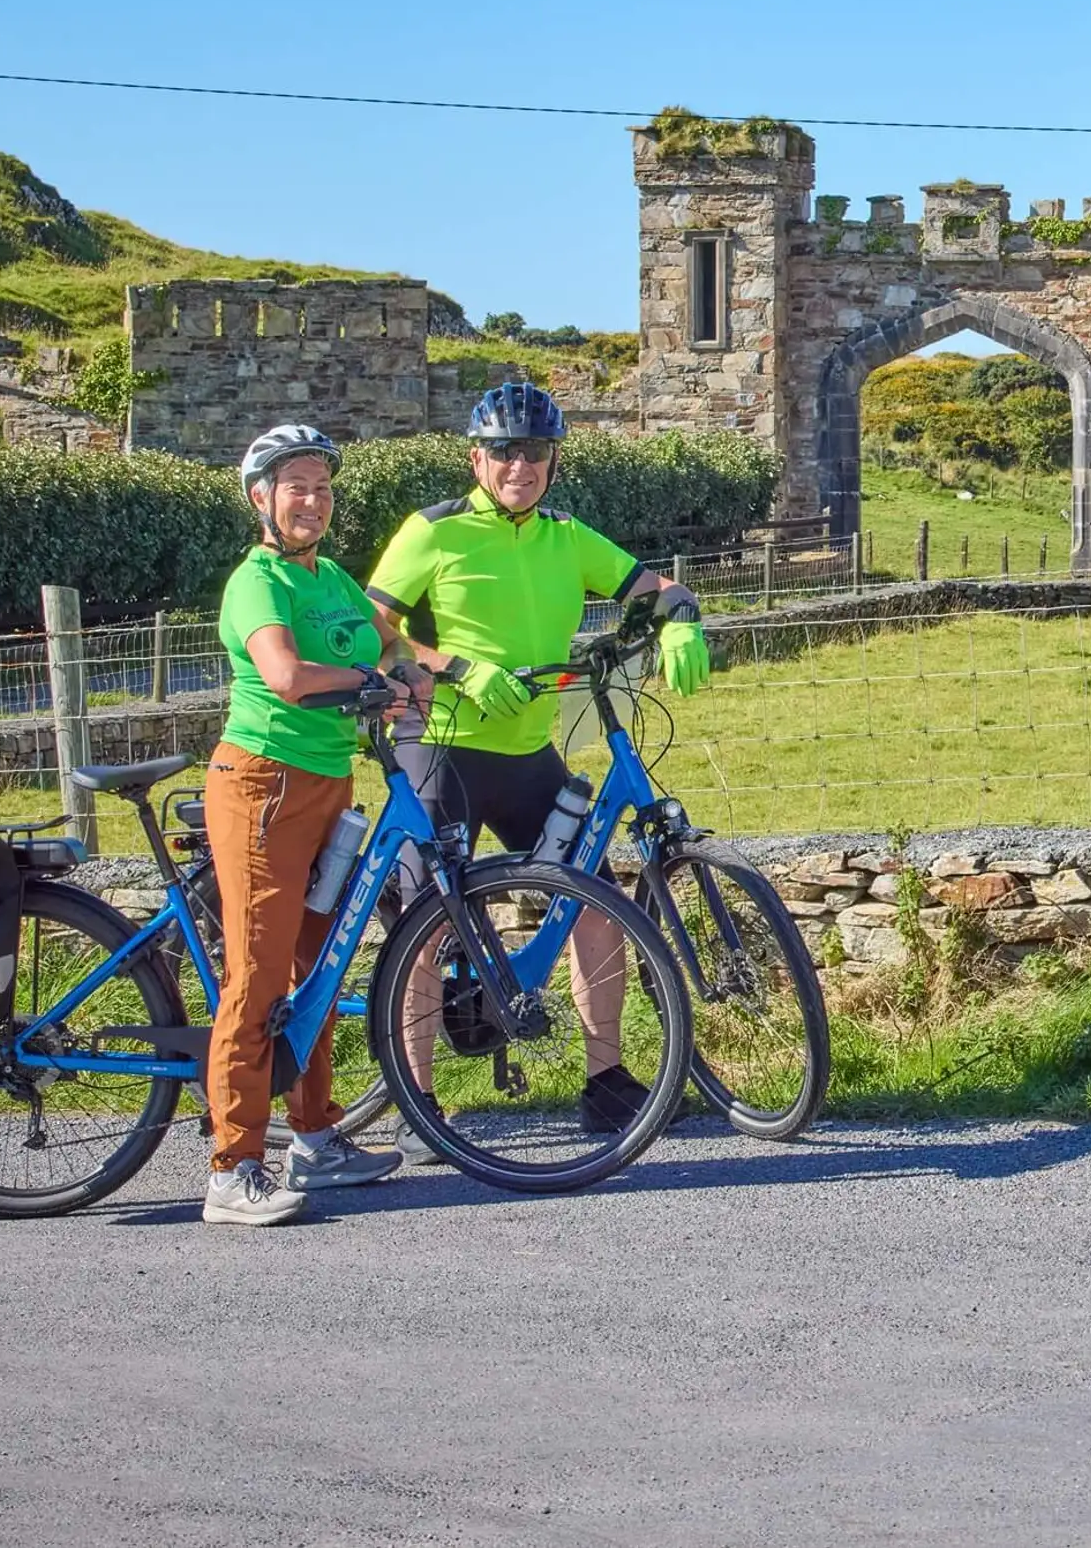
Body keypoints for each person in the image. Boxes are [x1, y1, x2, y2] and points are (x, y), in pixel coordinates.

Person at [362, 381, 710, 1150]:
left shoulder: (566, 535)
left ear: (554, 461)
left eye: (537, 451)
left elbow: (659, 588)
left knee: (598, 900)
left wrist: (680, 619)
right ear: (475, 457)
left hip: (528, 752)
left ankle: (606, 1081)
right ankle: (417, 1101)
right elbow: (370, 628)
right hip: (443, 745)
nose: (521, 464)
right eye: (506, 450)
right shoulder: (433, 532)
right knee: (427, 917)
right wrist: (450, 664)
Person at [202, 425, 424, 1226]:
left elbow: (391, 644)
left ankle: (316, 1137)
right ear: (261, 497)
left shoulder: (330, 575)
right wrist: (373, 680)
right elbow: (288, 675)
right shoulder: (256, 580)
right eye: (296, 485)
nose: (313, 499)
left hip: (330, 785)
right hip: (263, 783)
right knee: (258, 974)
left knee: (320, 967)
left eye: (323, 486)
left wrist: (434, 674)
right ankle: (232, 1165)